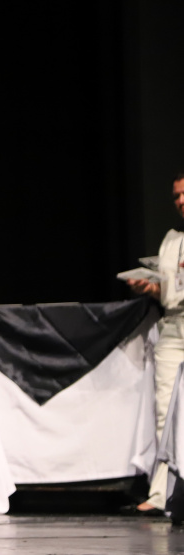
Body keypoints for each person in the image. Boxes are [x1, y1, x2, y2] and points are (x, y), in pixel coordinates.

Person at [126, 172, 184, 517]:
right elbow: (168, 290)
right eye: (177, 195)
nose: (180, 200)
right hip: (174, 327)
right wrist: (150, 288)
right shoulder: (172, 241)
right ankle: (165, 492)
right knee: (165, 411)